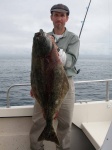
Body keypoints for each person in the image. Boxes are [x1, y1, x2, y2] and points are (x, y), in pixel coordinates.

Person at [30, 3, 80, 150]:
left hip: (65, 84)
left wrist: (56, 48)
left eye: (62, 15)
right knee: (38, 122)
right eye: (56, 15)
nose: (59, 18)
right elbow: (34, 67)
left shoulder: (73, 39)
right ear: (51, 17)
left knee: (65, 123)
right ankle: (36, 147)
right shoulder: (43, 38)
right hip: (43, 84)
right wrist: (34, 86)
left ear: (67, 18)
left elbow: (70, 62)